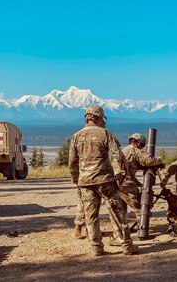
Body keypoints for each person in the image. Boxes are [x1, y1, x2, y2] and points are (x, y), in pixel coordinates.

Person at [69, 104, 139, 256]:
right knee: (116, 212)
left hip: (85, 182)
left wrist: (77, 180)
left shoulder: (76, 136)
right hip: (105, 180)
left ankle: (96, 248)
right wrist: (121, 175)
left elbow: (72, 162)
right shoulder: (105, 134)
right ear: (99, 118)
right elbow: (118, 156)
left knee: (90, 216)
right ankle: (126, 245)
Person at [119, 133, 165, 220]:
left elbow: (129, 172)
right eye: (142, 145)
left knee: (120, 208)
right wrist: (159, 161)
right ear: (138, 143)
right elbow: (149, 161)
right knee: (139, 204)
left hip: (114, 183)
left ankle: (122, 230)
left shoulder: (123, 151)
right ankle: (142, 227)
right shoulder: (134, 150)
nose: (142, 148)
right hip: (124, 182)